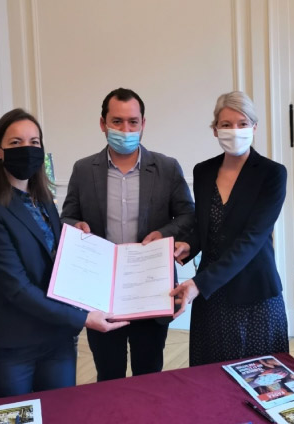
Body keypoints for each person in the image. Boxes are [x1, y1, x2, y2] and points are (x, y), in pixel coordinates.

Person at [0, 109, 129, 399]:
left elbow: (53, 260)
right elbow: (15, 288)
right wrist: (83, 318)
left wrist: (75, 239)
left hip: (57, 341)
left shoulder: (43, 201)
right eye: (15, 143)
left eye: (34, 142)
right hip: (12, 346)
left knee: (61, 415)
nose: (27, 149)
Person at [61, 88, 195, 381]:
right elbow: (67, 216)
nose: (126, 129)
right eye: (117, 121)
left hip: (152, 288)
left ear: (143, 124)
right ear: (103, 123)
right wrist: (75, 226)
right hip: (100, 292)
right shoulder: (83, 170)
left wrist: (164, 232)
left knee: (150, 374)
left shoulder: (167, 168)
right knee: (109, 375)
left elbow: (188, 215)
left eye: (133, 122)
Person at [169, 91, 289, 366]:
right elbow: (206, 225)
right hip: (211, 298)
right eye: (226, 124)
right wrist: (189, 245)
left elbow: (252, 239)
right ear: (214, 130)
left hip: (255, 295)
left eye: (242, 123)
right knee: (210, 379)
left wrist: (199, 284)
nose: (234, 130)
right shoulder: (203, 171)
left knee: (264, 383)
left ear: (254, 128)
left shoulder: (272, 173)